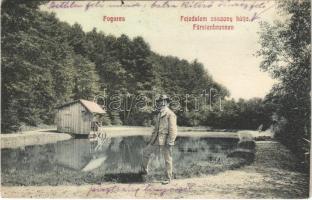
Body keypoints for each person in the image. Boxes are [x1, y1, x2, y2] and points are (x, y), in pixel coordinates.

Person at [141, 95, 178, 184]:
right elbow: (155, 129)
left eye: (163, 101)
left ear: (167, 103)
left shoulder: (170, 114)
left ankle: (168, 178)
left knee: (168, 159)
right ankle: (144, 172)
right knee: (146, 152)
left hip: (166, 140)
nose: (161, 103)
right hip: (156, 139)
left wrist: (170, 141)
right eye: (160, 101)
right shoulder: (159, 114)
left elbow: (173, 130)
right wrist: (151, 140)